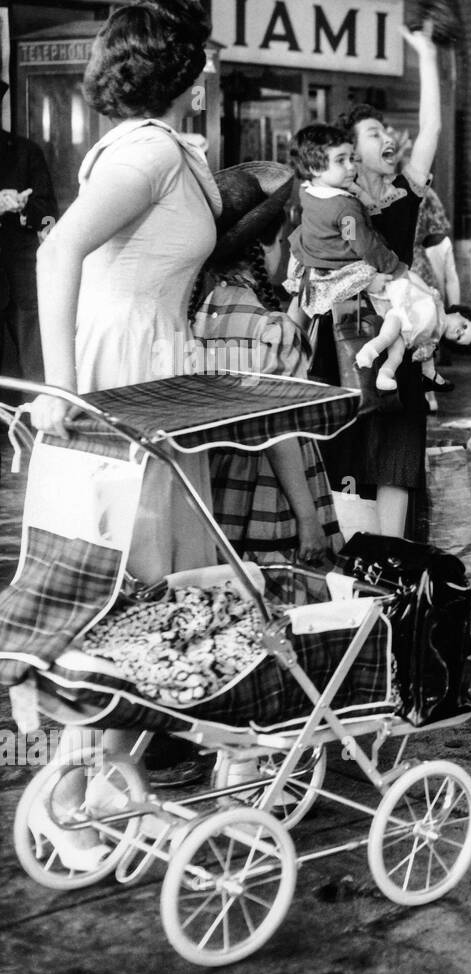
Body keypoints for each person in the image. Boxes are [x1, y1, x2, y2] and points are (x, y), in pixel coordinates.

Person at [28, 0, 220, 867]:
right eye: (203, 59)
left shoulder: (163, 150)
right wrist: (62, 390)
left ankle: (103, 774)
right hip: (127, 382)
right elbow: (55, 251)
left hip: (157, 371)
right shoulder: (147, 149)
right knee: (127, 586)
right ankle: (83, 783)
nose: (212, 71)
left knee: (144, 587)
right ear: (184, 71)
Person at [324, 24, 459, 539]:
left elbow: (431, 132)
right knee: (351, 450)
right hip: (350, 340)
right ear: (352, 153)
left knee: (399, 455)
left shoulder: (404, 193)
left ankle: (391, 561)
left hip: (400, 333)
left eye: (386, 130)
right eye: (374, 133)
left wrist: (425, 55)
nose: (389, 139)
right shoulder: (338, 202)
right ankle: (358, 559)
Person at [191, 164, 343, 565]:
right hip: (270, 493)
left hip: (217, 485)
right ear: (265, 246)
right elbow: (280, 431)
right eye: (283, 240)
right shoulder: (272, 330)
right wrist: (308, 517)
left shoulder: (199, 313)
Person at [284, 123, 471, 392]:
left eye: (351, 158)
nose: (351, 166)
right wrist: (394, 268)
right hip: (345, 273)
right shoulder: (345, 210)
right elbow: (363, 245)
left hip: (314, 269)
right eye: (341, 161)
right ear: (316, 168)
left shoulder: (310, 192)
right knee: (397, 307)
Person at [0, 78, 58, 392]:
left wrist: (25, 210)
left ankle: (37, 431)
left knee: (36, 370)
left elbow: (50, 213)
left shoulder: (24, 152)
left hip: (24, 281)